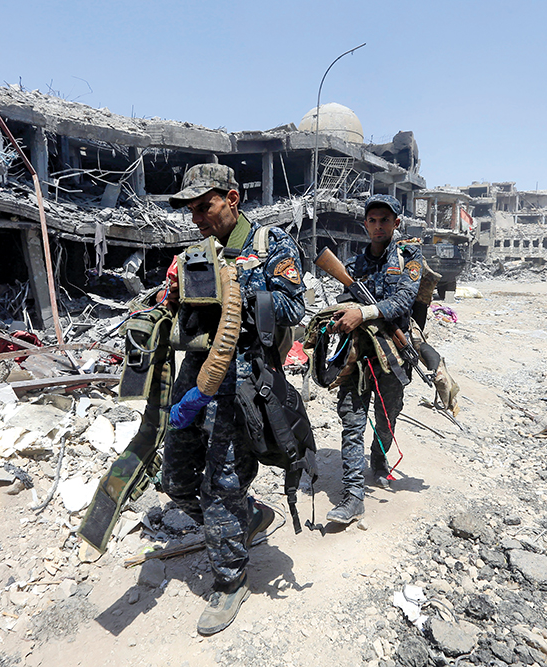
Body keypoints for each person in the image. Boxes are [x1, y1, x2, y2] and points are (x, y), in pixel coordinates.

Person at [162, 164, 306, 635]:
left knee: (221, 485)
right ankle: (248, 517)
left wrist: (239, 288)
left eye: (205, 206)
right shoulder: (194, 253)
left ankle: (230, 578)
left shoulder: (271, 244)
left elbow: (292, 306)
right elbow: (176, 307)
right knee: (176, 478)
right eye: (191, 209)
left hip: (242, 386)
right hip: (194, 381)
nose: (197, 217)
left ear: (233, 198)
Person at [325, 194, 421, 524]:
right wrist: (339, 315)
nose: (378, 226)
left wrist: (363, 311)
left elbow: (404, 301)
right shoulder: (352, 266)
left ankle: (379, 460)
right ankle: (353, 496)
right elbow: (341, 302)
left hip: (393, 355)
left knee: (386, 417)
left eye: (385, 220)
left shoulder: (410, 257)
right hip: (359, 354)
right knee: (351, 420)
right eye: (372, 220)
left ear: (396, 223)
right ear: (365, 224)